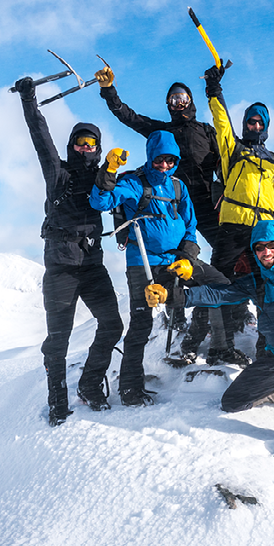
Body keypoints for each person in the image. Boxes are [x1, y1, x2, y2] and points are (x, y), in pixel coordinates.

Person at [145, 220, 274, 463]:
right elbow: (218, 294)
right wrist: (176, 296)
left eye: (272, 245)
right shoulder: (255, 283)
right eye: (259, 247)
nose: (266, 252)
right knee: (233, 402)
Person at [14, 76, 124, 426]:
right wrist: (29, 99)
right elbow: (39, 135)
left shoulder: (105, 178)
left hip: (92, 265)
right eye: (78, 143)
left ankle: (90, 384)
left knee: (112, 324)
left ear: (98, 147)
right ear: (71, 146)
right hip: (61, 267)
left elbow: (127, 195)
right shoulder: (57, 173)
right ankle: (58, 402)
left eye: (90, 143)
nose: (84, 148)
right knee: (57, 340)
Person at [94, 64, 221, 356]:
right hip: (170, 211)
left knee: (219, 266)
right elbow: (128, 116)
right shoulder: (162, 133)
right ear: (168, 105)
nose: (178, 103)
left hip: (203, 206)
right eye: (173, 99)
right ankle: (178, 323)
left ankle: (218, 331)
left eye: (183, 98)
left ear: (191, 101)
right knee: (172, 269)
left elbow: (226, 158)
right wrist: (108, 91)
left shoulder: (206, 131)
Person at [89, 131, 198, 406]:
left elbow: (190, 225)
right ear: (151, 156)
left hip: (175, 261)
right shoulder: (134, 182)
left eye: (170, 160)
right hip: (143, 263)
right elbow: (101, 202)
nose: (164, 165)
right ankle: (130, 388)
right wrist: (109, 171)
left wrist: (188, 252)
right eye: (160, 159)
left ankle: (194, 344)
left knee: (210, 290)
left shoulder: (177, 187)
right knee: (140, 324)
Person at [202, 63, 274, 363]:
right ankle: (218, 346)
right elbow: (221, 122)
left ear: (265, 126)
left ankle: (268, 348)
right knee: (218, 282)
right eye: (250, 122)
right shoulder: (234, 150)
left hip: (263, 231)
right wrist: (214, 90)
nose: (254, 126)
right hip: (233, 227)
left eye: (259, 123)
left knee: (268, 288)